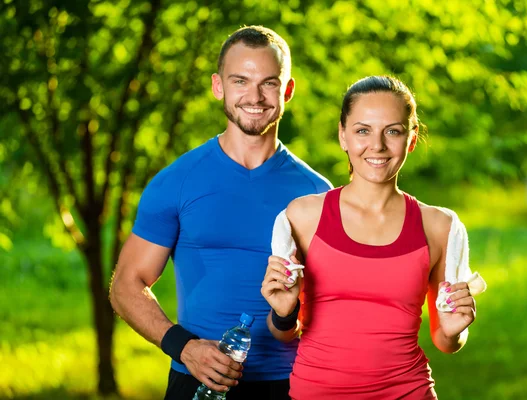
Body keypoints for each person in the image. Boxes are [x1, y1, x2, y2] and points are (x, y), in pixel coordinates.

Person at [110, 25, 331, 400]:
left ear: (288, 90)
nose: (255, 96)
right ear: (218, 86)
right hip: (196, 380)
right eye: (240, 81)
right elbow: (125, 285)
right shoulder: (177, 181)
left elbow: (333, 305)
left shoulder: (317, 194)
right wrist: (185, 348)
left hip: (293, 385)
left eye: (269, 83)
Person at [261, 76, 477, 399]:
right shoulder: (303, 218)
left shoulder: (438, 226)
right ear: (343, 136)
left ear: (411, 139)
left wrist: (455, 330)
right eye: (363, 130)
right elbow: (283, 332)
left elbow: (446, 340)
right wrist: (284, 311)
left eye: (393, 131)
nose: (377, 145)